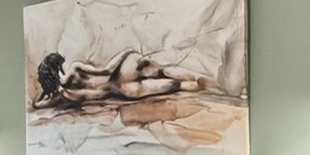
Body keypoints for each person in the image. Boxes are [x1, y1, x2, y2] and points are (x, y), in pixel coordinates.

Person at [32, 49, 206, 110]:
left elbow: (36, 104)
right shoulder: (76, 68)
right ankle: (198, 79)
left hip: (123, 92)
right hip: (121, 75)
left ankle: (193, 84)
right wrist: (126, 52)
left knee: (173, 86)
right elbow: (106, 70)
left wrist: (49, 86)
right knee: (161, 70)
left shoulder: (62, 95)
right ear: (59, 66)